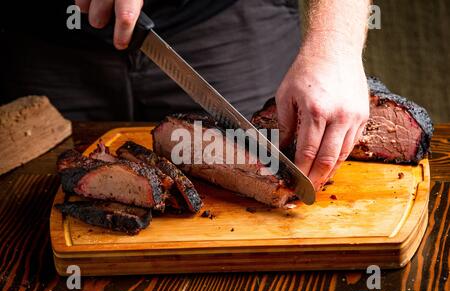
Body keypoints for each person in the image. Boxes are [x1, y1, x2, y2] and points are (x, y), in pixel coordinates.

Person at [0, 0, 370, 191]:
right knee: (38, 196)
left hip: (228, 25)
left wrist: (334, 42)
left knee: (261, 173)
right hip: (38, 42)